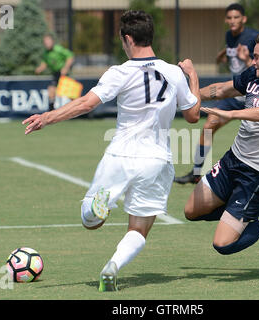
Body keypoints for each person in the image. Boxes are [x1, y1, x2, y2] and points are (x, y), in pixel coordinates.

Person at [23, 10, 201, 291]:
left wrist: (47, 118)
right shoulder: (173, 73)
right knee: (139, 229)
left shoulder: (120, 72)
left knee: (90, 221)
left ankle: (98, 206)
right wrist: (192, 76)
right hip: (156, 160)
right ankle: (112, 267)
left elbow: (86, 103)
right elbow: (193, 115)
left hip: (120, 156)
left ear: (128, 38)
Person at [183, 31, 259, 257]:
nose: (252, 61)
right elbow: (221, 89)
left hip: (256, 175)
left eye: (256, 56)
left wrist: (235, 115)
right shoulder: (254, 74)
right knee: (190, 211)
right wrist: (186, 95)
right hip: (232, 161)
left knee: (223, 245)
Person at [174, 3, 259, 184]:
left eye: (236, 17)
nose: (232, 21)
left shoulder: (253, 37)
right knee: (209, 126)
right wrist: (223, 55)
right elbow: (234, 59)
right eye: (229, 18)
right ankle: (196, 173)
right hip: (234, 96)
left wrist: (247, 60)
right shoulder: (229, 36)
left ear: (243, 19)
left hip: (253, 97)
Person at [35, 34, 75, 111]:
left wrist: (66, 67)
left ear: (52, 42)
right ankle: (51, 110)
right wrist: (39, 69)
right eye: (45, 42)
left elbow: (70, 56)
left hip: (64, 74)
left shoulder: (58, 49)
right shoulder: (46, 53)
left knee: (71, 95)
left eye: (48, 41)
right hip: (56, 74)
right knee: (51, 90)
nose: (47, 43)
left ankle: (83, 111)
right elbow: (45, 63)